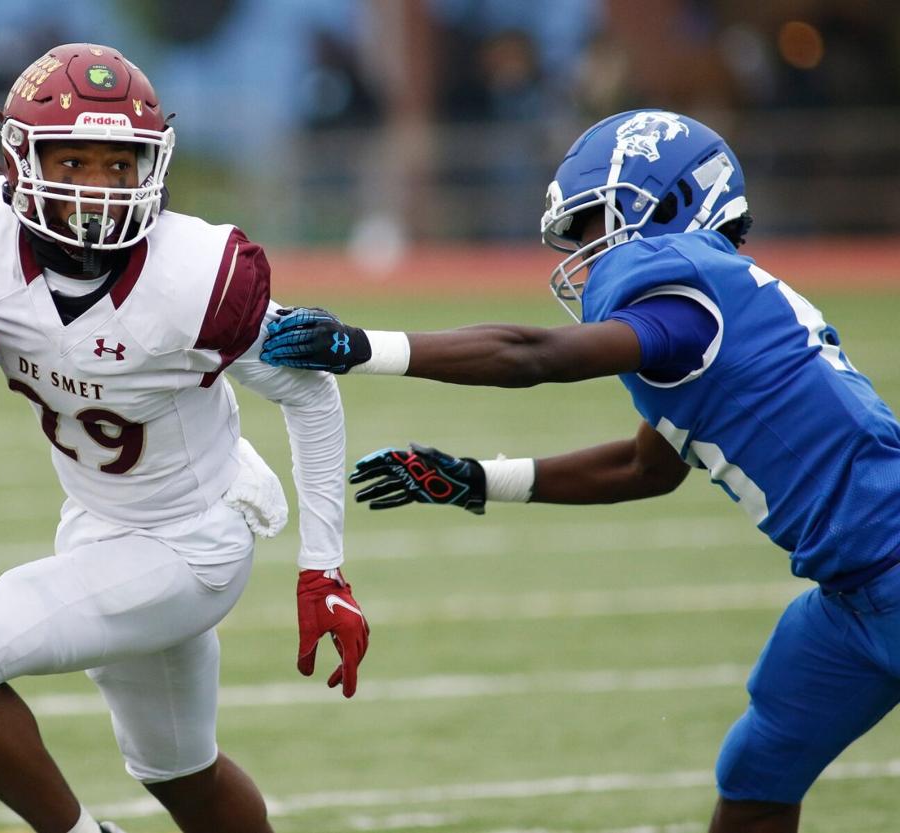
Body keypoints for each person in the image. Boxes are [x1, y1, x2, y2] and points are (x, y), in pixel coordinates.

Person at [260, 109, 900, 833]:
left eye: (596, 223)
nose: (587, 252)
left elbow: (538, 356)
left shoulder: (692, 299)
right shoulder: (711, 313)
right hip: (853, 596)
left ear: (667, 204)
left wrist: (360, 344)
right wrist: (476, 479)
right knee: (757, 777)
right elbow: (645, 465)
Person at [0, 43, 369, 833]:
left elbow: (309, 391)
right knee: (182, 774)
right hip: (95, 523)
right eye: (73, 160)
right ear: (18, 159)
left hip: (193, 545)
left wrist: (323, 568)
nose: (99, 188)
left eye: (121, 164)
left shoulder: (199, 273)